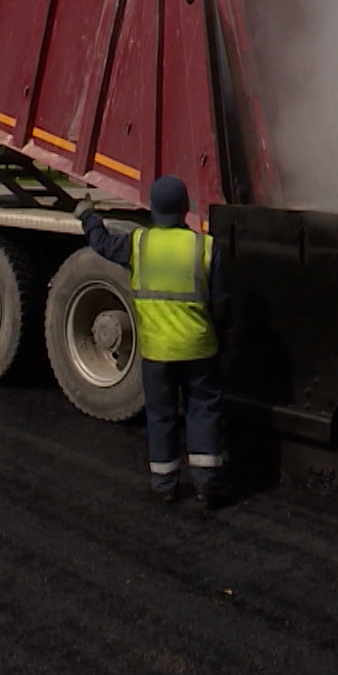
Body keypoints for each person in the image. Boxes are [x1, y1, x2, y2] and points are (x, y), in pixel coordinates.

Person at [76, 175, 231, 507]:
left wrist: (88, 216)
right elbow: (221, 305)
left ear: (153, 209)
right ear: (186, 208)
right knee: (203, 413)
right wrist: (221, 335)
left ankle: (165, 485)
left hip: (157, 353)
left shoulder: (138, 244)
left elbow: (102, 243)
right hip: (199, 349)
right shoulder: (205, 246)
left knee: (161, 416)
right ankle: (207, 485)